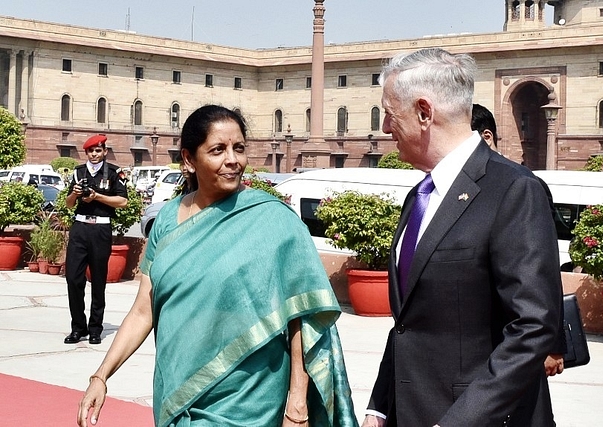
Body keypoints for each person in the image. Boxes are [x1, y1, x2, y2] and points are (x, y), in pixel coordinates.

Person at [77, 105, 358, 427]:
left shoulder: (273, 220)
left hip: (250, 397)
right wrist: (101, 375)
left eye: (239, 148)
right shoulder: (167, 220)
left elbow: (301, 316)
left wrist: (297, 404)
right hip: (178, 388)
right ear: (188, 159)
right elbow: (144, 310)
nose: (232, 160)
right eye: (218, 150)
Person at [363, 48, 563, 427]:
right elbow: (409, 323)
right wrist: (380, 405)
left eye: (389, 114)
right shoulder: (421, 195)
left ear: (424, 113)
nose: (385, 128)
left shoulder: (514, 190)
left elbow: (533, 328)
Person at [471, 103, 566, 377]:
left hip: (519, 339)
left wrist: (552, 343)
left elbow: (545, 271)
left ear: (486, 137)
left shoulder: (523, 184)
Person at [64, 135, 128, 345]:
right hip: (80, 227)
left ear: (105, 152)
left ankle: (95, 328)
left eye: (98, 150)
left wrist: (97, 196)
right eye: (91, 151)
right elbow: (68, 205)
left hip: (101, 228)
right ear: (86, 153)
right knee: (73, 278)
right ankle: (78, 327)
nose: (94, 154)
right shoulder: (78, 172)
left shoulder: (114, 172)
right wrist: (74, 194)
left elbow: (123, 201)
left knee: (98, 280)